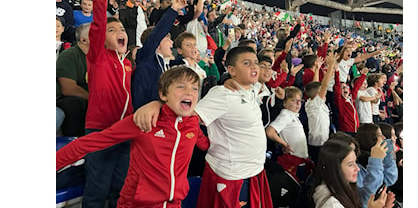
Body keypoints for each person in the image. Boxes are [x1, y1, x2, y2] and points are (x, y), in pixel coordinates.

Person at [132, 46, 273, 207]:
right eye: (247, 63)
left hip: (253, 173)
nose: (254, 66)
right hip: (233, 177)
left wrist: (227, 77)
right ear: (232, 70)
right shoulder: (223, 95)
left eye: (256, 62)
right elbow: (187, 115)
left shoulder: (252, 89)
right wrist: (158, 105)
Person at [56, 66, 210, 207]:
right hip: (137, 203)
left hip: (174, 203)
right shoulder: (144, 121)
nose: (190, 92)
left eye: (195, 88)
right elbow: (90, 143)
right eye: (181, 86)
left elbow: (205, 144)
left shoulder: (192, 123)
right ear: (163, 94)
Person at [82, 0, 134, 208]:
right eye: (112, 31)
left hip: (125, 131)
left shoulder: (128, 65)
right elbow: (99, 24)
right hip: (100, 130)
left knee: (120, 188)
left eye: (122, 29)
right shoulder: (98, 57)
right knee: (97, 190)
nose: (119, 32)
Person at [266, 86, 310, 183]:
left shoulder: (292, 115)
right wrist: (284, 144)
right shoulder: (285, 115)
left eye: (300, 101)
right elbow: (270, 132)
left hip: (300, 160)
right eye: (294, 100)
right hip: (293, 161)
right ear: (285, 103)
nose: (298, 104)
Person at [56, 23, 91, 137]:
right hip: (63, 99)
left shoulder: (100, 57)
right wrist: (94, 99)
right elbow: (68, 89)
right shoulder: (69, 55)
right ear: (84, 40)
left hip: (90, 97)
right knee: (75, 104)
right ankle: (73, 144)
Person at [304, 54, 337, 163]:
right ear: (317, 95)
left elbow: (316, 85)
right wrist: (331, 65)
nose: (325, 93)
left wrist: (318, 69)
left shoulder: (313, 102)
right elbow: (323, 85)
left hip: (321, 140)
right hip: (318, 143)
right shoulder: (315, 103)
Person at [333, 67, 369, 136]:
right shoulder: (339, 101)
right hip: (346, 130)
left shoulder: (351, 98)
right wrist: (337, 72)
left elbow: (356, 86)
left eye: (346, 87)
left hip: (356, 129)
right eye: (342, 88)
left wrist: (363, 75)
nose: (345, 88)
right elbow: (337, 86)